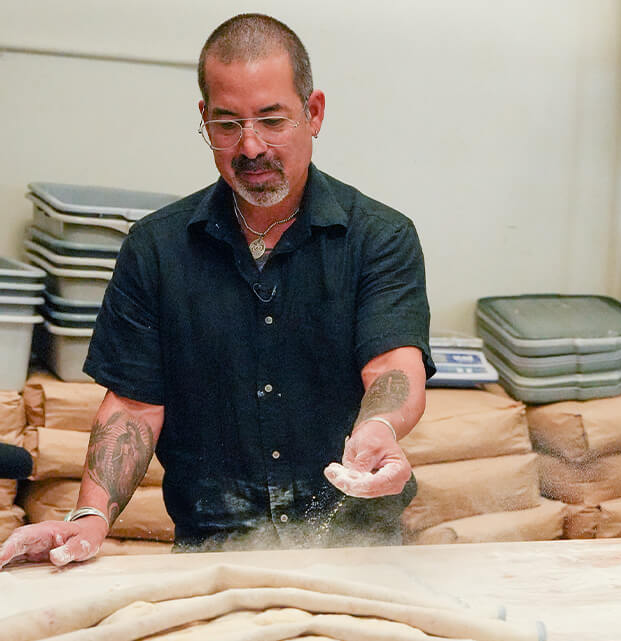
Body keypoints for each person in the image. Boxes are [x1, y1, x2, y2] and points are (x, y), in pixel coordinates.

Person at [0, 13, 434, 569]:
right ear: (204, 119)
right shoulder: (157, 248)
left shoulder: (378, 236)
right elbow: (133, 405)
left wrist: (379, 428)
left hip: (357, 545)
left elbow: (392, 367)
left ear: (314, 112)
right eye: (227, 124)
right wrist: (90, 517)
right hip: (212, 552)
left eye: (272, 120)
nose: (250, 146)